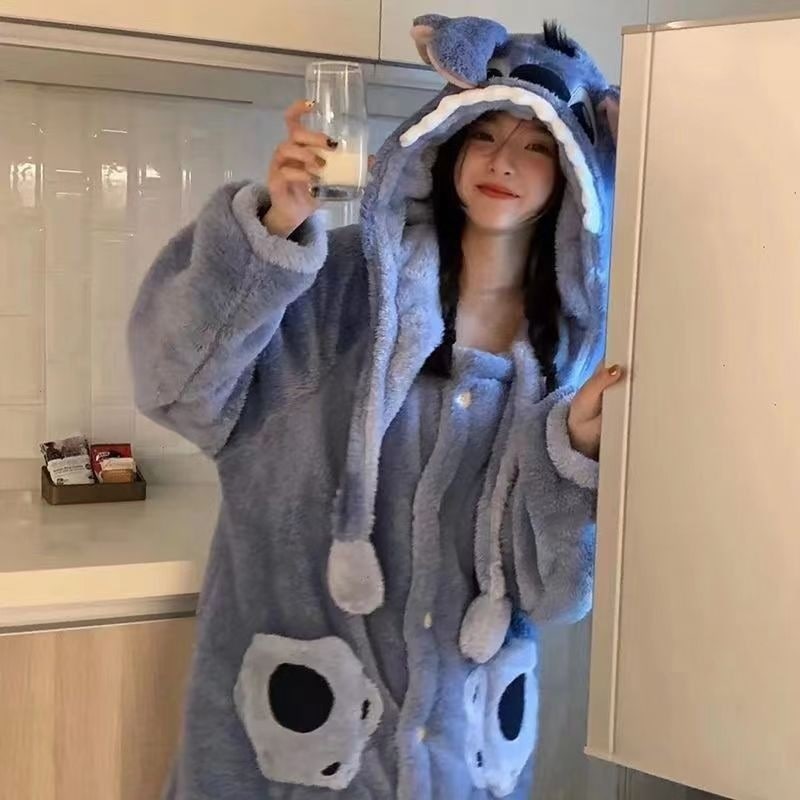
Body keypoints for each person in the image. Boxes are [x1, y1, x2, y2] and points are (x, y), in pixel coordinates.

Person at [128, 13, 621, 800]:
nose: (503, 160)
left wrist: (577, 458)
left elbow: (553, 592)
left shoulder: (566, 356)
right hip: (297, 752)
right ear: (446, 142)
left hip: (460, 761)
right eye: (485, 133)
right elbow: (178, 390)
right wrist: (271, 230)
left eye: (536, 146)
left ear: (572, 174)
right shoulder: (336, 294)